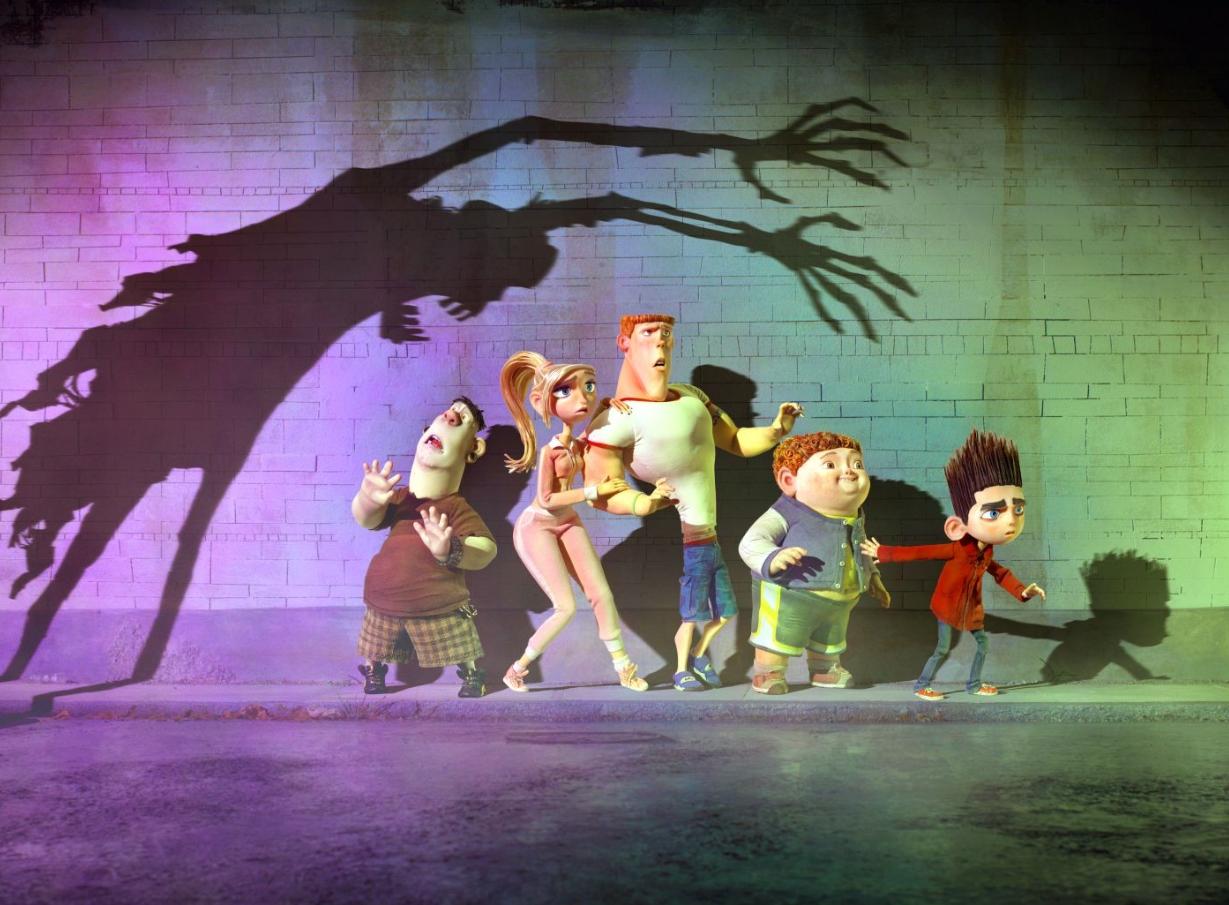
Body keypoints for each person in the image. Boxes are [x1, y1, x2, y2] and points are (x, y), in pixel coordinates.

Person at [584, 314, 802, 691]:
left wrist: (776, 429)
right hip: (694, 540)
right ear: (624, 343)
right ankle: (683, 667)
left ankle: (698, 658)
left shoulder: (693, 396)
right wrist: (646, 502)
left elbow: (735, 441)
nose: (660, 341)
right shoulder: (614, 420)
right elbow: (602, 492)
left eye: (666, 333)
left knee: (723, 612)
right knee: (693, 613)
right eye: (647, 333)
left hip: (708, 538)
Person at [499, 351, 656, 692]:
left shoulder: (577, 444)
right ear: (543, 402)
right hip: (537, 526)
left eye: (588, 387)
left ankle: (624, 667)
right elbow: (546, 499)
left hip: (567, 521)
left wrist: (604, 410)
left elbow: (588, 440)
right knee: (565, 607)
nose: (582, 397)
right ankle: (517, 669)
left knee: (601, 594)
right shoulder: (551, 451)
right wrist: (593, 491)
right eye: (565, 391)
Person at [861, 429, 1046, 700]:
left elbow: (1000, 574)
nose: (1011, 521)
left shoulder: (986, 553)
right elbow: (921, 553)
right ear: (956, 527)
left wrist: (1023, 592)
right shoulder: (957, 549)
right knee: (942, 649)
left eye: (1018, 509)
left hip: (972, 611)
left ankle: (974, 684)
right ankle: (921, 685)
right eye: (993, 512)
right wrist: (884, 552)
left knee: (982, 645)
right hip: (947, 608)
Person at [351, 397, 497, 698]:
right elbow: (367, 520)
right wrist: (367, 498)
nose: (450, 417)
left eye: (462, 419)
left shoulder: (455, 508)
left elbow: (486, 548)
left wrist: (451, 549)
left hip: (438, 599)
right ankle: (374, 670)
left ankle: (472, 675)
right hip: (384, 596)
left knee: (460, 642)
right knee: (375, 643)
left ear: (473, 449)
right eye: (447, 413)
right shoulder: (400, 498)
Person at [738, 431, 890, 694]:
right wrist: (772, 557)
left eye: (857, 464)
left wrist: (872, 575)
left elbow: (861, 547)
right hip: (790, 594)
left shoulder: (856, 517)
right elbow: (751, 541)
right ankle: (768, 672)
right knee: (777, 636)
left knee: (829, 640)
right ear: (789, 480)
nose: (849, 471)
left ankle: (825, 670)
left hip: (841, 597)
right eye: (830, 464)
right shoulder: (785, 512)